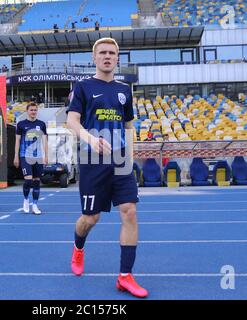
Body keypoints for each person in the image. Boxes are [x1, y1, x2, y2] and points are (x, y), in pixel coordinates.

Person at [66, 37, 148, 298]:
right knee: (91, 219)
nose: (107, 56)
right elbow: (72, 121)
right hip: (93, 161)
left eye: (112, 53)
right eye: (102, 52)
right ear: (94, 57)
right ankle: (78, 247)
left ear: (117, 57)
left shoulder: (125, 89)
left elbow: (128, 126)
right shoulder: (83, 87)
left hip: (121, 161)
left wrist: (131, 159)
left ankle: (125, 277)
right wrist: (90, 138)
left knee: (130, 212)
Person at [14, 102, 48, 215]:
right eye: (31, 110)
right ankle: (25, 200)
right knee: (28, 180)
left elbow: (44, 141)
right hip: (25, 155)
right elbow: (17, 141)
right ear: (27, 111)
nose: (33, 112)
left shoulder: (42, 124)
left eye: (35, 110)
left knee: (37, 181)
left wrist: (46, 156)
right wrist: (16, 156)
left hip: (38, 157)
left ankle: (35, 205)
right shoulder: (21, 124)